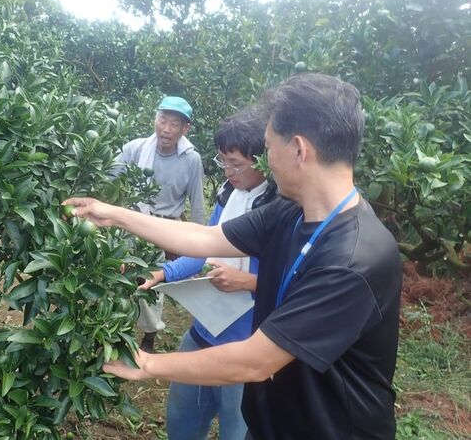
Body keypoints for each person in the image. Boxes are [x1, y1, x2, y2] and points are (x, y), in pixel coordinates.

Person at [66, 73, 402, 440]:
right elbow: (206, 238)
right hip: (273, 423)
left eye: (269, 146)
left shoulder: (353, 259)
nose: (266, 159)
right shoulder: (291, 212)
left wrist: (148, 364)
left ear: (299, 150)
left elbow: (256, 361)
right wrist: (113, 214)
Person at [139, 110, 277, 440]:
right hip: (205, 332)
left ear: (263, 161)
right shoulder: (228, 196)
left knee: (237, 429)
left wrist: (252, 282)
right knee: (182, 421)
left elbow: (297, 282)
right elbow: (203, 246)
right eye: (223, 162)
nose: (228, 172)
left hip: (247, 346)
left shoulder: (280, 210)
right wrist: (163, 273)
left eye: (236, 164)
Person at [111, 96, 205, 352]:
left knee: (154, 283)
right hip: (134, 223)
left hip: (165, 230)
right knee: (120, 277)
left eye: (174, 124)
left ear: (185, 129)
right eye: (162, 120)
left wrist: (200, 244)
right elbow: (107, 175)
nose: (166, 128)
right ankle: (117, 329)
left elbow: (197, 203)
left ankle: (150, 334)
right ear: (155, 118)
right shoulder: (135, 149)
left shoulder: (191, 160)